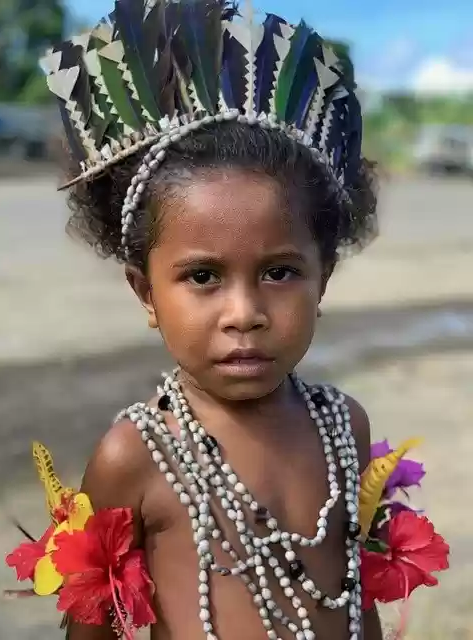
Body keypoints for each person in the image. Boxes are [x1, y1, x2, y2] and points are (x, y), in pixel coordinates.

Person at [42, 0, 382, 638]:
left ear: (324, 279)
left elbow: (357, 596)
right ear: (145, 292)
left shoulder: (344, 428)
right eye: (202, 277)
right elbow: (91, 628)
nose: (245, 314)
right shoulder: (135, 455)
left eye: (281, 273)